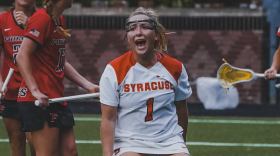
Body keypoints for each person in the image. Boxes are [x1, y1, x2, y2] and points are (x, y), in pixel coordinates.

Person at [100, 7, 192, 156]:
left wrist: (180, 145)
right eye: (132, 28)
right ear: (128, 36)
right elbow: (108, 119)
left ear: (156, 35)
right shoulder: (113, 70)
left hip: (169, 140)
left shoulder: (176, 68)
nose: (138, 32)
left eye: (144, 26)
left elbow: (181, 109)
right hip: (129, 142)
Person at [16, 0, 99, 155]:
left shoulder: (58, 19)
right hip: (40, 101)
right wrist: (35, 90)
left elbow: (60, 61)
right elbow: (22, 56)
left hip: (56, 98)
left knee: (70, 152)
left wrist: (88, 85)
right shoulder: (42, 18)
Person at [0, 1, 36, 155]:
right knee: (16, 144)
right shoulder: (2, 20)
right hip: (11, 90)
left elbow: (50, 52)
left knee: (36, 144)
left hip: (36, 91)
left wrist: (29, 26)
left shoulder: (44, 18)